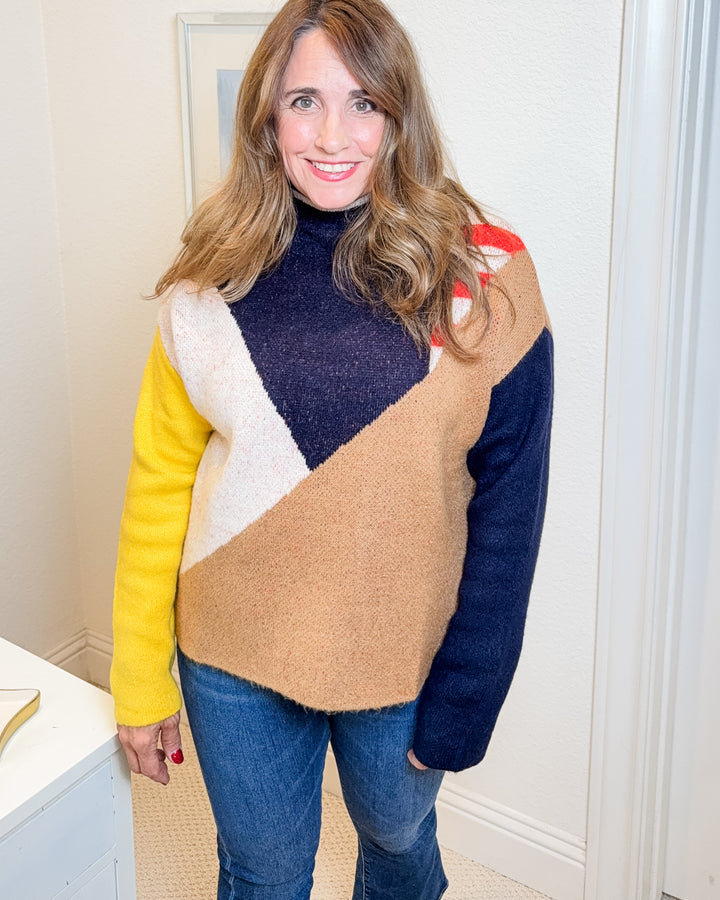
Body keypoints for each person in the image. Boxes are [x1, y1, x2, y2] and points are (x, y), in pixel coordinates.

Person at [110, 0, 553, 897]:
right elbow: (159, 483)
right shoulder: (205, 286)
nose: (333, 134)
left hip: (406, 650)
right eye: (304, 100)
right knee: (263, 873)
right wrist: (138, 681)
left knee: (396, 845)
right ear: (267, 119)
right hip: (231, 651)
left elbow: (512, 501)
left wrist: (470, 692)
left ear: (400, 116)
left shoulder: (489, 279)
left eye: (364, 103)